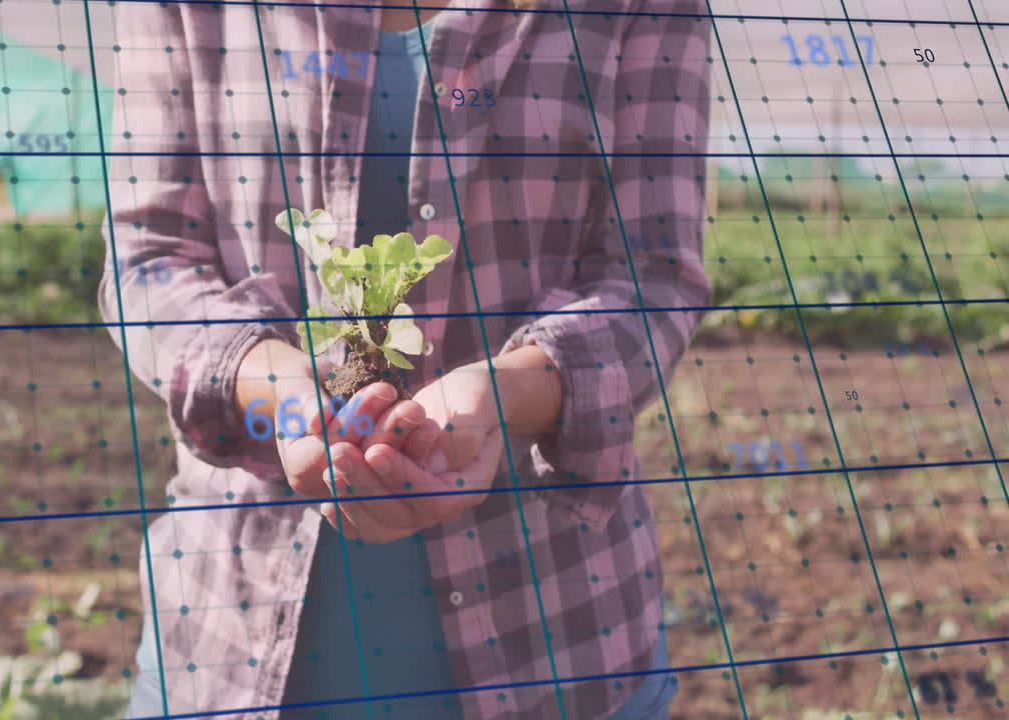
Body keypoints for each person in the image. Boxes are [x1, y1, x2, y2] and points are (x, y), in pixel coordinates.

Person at [98, 0, 711, 717]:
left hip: (555, 631)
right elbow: (149, 260)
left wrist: (505, 394)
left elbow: (652, 277)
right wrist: (272, 386)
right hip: (227, 634)